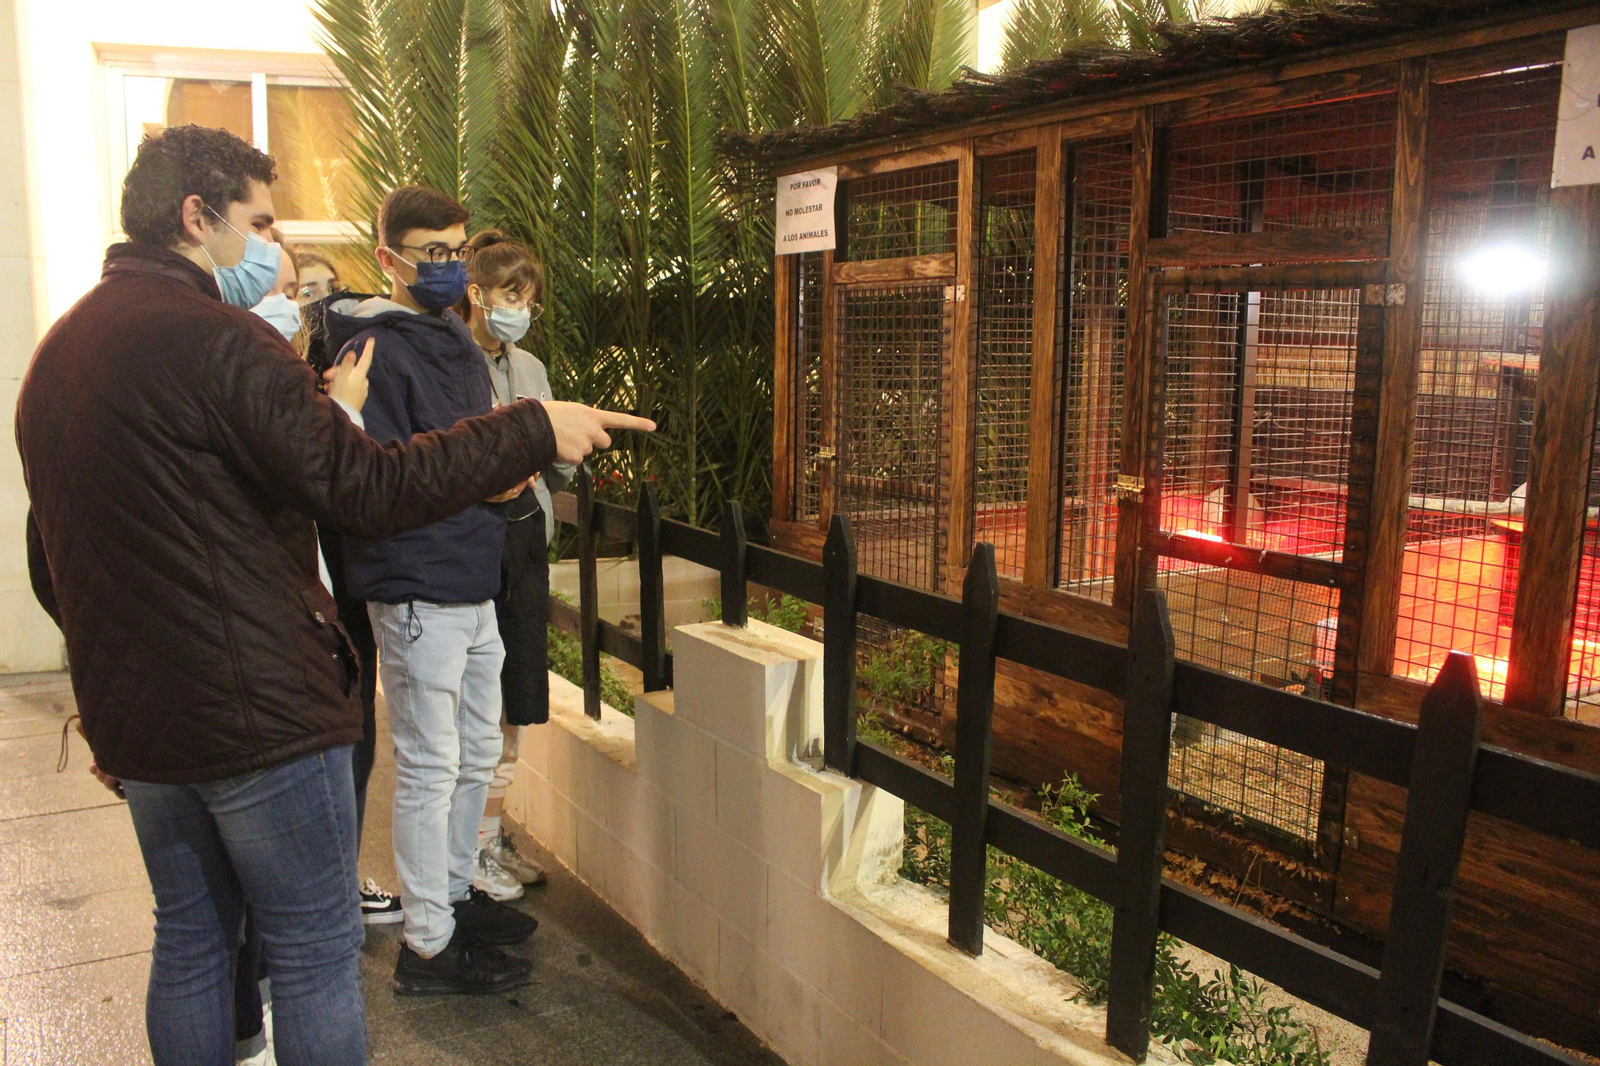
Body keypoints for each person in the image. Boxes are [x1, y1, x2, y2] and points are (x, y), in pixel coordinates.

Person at [16, 125, 651, 1065]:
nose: (272, 245)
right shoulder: (221, 343)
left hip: (142, 720)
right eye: (259, 223)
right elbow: (365, 487)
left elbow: (51, 554)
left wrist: (108, 685)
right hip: (258, 714)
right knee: (313, 951)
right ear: (195, 216)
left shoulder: (60, 355)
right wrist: (527, 429)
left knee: (190, 941)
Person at [323, 186, 538, 997]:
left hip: (473, 573)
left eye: (458, 250)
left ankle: (452, 898)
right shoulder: (372, 348)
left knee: (476, 751)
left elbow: (467, 447)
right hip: (417, 582)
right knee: (428, 763)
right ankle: (427, 946)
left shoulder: (449, 337)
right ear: (390, 258)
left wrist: (501, 471)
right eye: (433, 253)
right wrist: (487, 475)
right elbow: (380, 480)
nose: (450, 267)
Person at [456, 230, 570, 901]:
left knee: (515, 703)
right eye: (510, 296)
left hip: (527, 543)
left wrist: (553, 455)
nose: (519, 311)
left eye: (528, 300)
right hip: (474, 551)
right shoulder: (450, 360)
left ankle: (490, 835)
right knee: (472, 710)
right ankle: (465, 852)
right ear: (477, 294)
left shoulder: (529, 367)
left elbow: (557, 458)